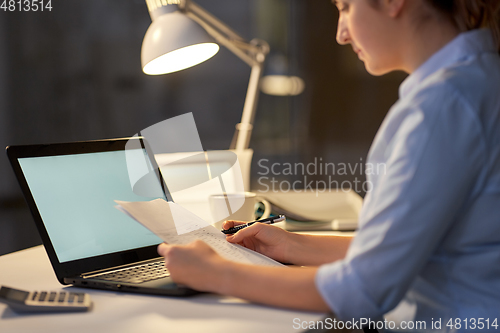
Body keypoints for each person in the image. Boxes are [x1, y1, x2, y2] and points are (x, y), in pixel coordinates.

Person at [158, 0, 500, 329]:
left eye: (345, 7)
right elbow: (410, 247)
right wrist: (295, 245)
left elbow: (364, 290)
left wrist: (216, 273)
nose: (341, 34)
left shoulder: (442, 108)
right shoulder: (476, 81)